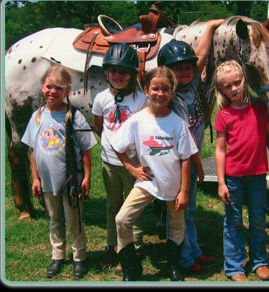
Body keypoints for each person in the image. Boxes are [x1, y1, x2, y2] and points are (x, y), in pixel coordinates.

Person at [110, 66, 199, 281]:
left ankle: (173, 266)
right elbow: (117, 145)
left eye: (165, 89)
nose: (160, 93)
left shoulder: (178, 123)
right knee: (122, 219)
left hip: (172, 184)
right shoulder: (138, 120)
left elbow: (186, 158)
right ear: (146, 90)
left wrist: (184, 191)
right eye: (155, 89)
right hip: (147, 183)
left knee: (177, 225)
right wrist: (131, 168)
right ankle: (131, 267)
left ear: (172, 91)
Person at [156, 19, 223, 272]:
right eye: (177, 69)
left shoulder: (192, 85)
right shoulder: (169, 99)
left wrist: (210, 28)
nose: (184, 72)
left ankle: (193, 250)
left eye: (187, 68)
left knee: (190, 210)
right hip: (179, 165)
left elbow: (201, 56)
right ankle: (183, 258)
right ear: (166, 72)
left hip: (192, 164)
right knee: (180, 212)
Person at [213, 60, 269, 282]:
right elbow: (219, 150)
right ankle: (234, 265)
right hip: (233, 178)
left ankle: (259, 261)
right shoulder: (223, 115)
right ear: (221, 90)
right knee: (233, 222)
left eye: (237, 82)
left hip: (257, 175)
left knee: (258, 219)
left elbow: (267, 136)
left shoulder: (259, 107)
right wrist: (221, 182)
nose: (234, 88)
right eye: (228, 86)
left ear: (245, 80)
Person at [21, 65, 97, 279]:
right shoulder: (37, 116)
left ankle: (79, 257)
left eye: (58, 88)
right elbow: (33, 150)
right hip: (47, 182)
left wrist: (87, 178)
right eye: (48, 86)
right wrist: (35, 178)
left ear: (67, 91)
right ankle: (57, 255)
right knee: (54, 219)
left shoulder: (73, 116)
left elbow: (86, 150)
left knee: (75, 221)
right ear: (41, 87)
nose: (52, 91)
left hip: (71, 181)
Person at [92, 43, 148, 270]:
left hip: (134, 163)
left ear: (133, 74)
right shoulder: (101, 98)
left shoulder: (141, 100)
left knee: (133, 206)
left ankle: (134, 246)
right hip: (110, 163)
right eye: (113, 71)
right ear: (106, 72)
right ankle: (112, 245)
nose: (118, 76)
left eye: (124, 72)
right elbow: (100, 127)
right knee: (113, 205)